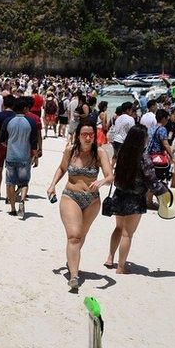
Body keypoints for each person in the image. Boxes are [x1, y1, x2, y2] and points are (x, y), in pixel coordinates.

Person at [47, 120, 114, 290]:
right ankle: (74, 276)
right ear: (78, 135)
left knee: (81, 236)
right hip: (71, 196)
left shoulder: (99, 152)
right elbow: (62, 168)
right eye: (84, 134)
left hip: (92, 200)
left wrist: (102, 181)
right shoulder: (71, 150)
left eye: (91, 134)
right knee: (74, 236)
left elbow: (109, 176)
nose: (88, 137)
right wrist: (52, 184)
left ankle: (71, 261)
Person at [105, 124, 170, 273]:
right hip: (135, 199)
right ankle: (121, 267)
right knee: (128, 234)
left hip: (119, 194)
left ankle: (110, 258)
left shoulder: (122, 153)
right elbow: (152, 181)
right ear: (142, 139)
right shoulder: (144, 158)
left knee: (118, 228)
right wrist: (166, 193)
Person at [0, 96, 40, 218]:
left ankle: (12, 208)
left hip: (11, 155)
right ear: (25, 108)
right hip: (24, 156)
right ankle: (21, 200)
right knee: (24, 182)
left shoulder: (8, 121)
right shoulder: (31, 122)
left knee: (10, 183)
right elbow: (33, 143)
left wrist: (9, 145)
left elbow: (1, 139)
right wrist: (36, 156)